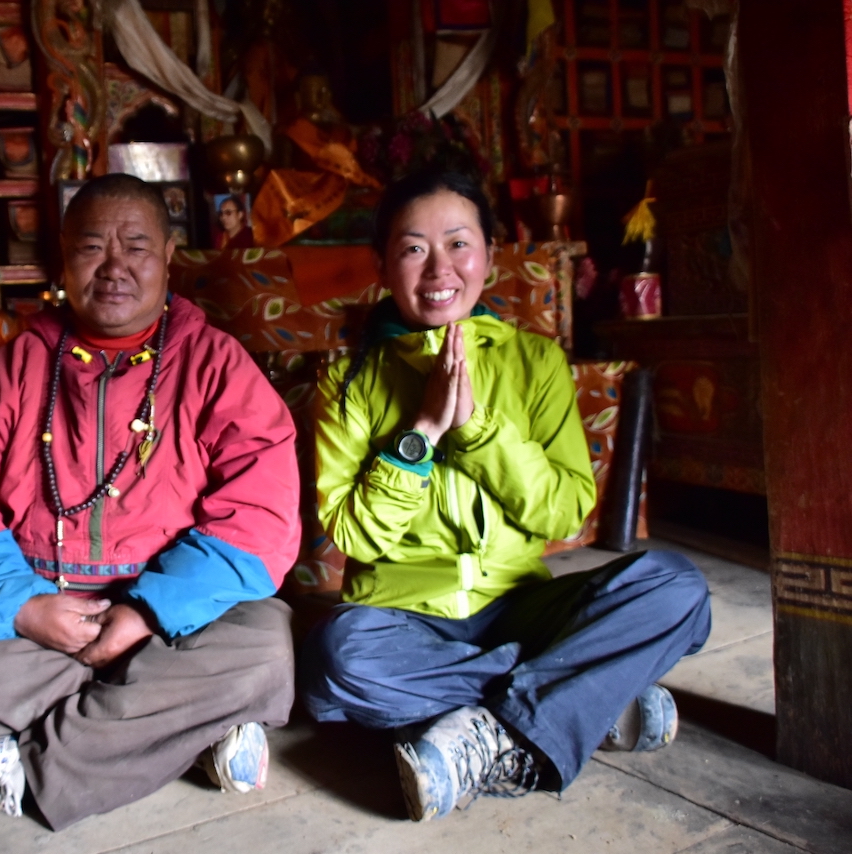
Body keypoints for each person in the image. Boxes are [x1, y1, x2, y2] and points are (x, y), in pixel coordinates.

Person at [0, 173, 301, 834]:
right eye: (91, 248)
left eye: (135, 246)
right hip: (53, 618)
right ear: (63, 258)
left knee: (264, 651)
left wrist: (144, 612)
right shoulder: (15, 368)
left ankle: (10, 773)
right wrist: (24, 608)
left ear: (168, 257)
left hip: (175, 623)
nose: (113, 267)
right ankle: (186, 735)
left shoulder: (216, 365)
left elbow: (262, 516)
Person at [300, 167, 711, 822]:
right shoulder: (348, 382)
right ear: (383, 265)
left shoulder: (536, 361)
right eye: (412, 248)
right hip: (404, 619)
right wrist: (423, 435)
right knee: (336, 660)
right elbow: (356, 535)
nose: (439, 268)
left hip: (520, 602)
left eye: (458, 243)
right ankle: (579, 695)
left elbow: (567, 507)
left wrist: (478, 432)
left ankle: (492, 728)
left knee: (676, 588)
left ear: (489, 256)